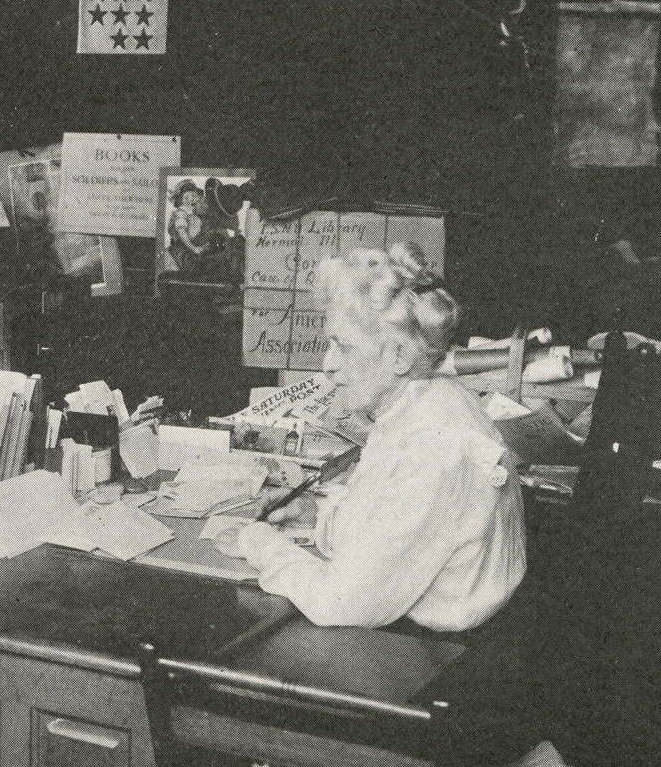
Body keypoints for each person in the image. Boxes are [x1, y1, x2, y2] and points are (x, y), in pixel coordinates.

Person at [215, 244, 526, 630]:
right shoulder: (431, 403)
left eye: (342, 346)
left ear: (398, 356)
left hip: (432, 654)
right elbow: (391, 535)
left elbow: (341, 604)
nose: (328, 365)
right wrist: (318, 516)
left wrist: (259, 544)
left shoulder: (430, 446)